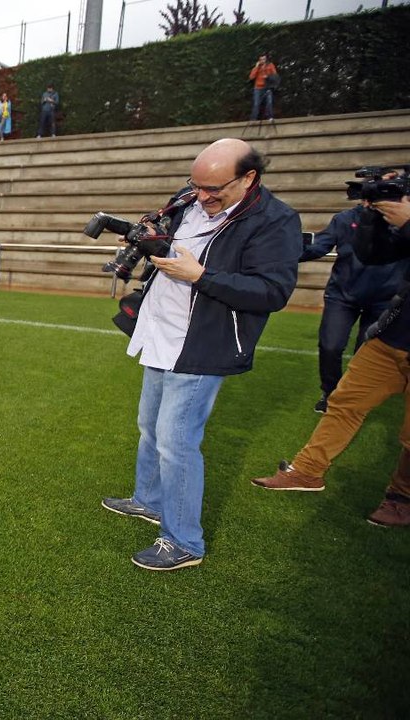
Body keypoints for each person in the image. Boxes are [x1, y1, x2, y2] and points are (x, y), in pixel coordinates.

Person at [100, 138, 300, 571]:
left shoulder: (276, 220)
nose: (203, 196)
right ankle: (148, 499)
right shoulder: (188, 198)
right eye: (198, 185)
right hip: (160, 333)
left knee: (177, 442)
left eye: (215, 189)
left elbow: (272, 291)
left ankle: (184, 540)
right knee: (149, 426)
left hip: (204, 344)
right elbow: (168, 243)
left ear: (250, 178)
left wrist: (201, 276)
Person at [252, 189, 410, 527]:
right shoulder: (355, 220)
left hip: (390, 316)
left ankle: (401, 497)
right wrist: (369, 219)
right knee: (343, 402)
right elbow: (372, 254)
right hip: (393, 333)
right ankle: (307, 472)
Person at [299, 178, 410, 413]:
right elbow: (319, 246)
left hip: (384, 300)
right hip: (342, 295)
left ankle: (350, 399)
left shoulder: (403, 223)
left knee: (364, 354)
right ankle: (330, 392)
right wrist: (285, 251)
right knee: (330, 346)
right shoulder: (344, 219)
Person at [248, 54, 278, 122]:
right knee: (256, 103)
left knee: (269, 102)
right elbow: (251, 77)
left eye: (264, 59)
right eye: (261, 59)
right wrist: (256, 67)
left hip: (267, 87)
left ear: (266, 59)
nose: (262, 61)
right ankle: (253, 118)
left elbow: (275, 76)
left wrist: (267, 77)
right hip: (258, 88)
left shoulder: (270, 65)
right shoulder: (257, 67)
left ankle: (269, 117)